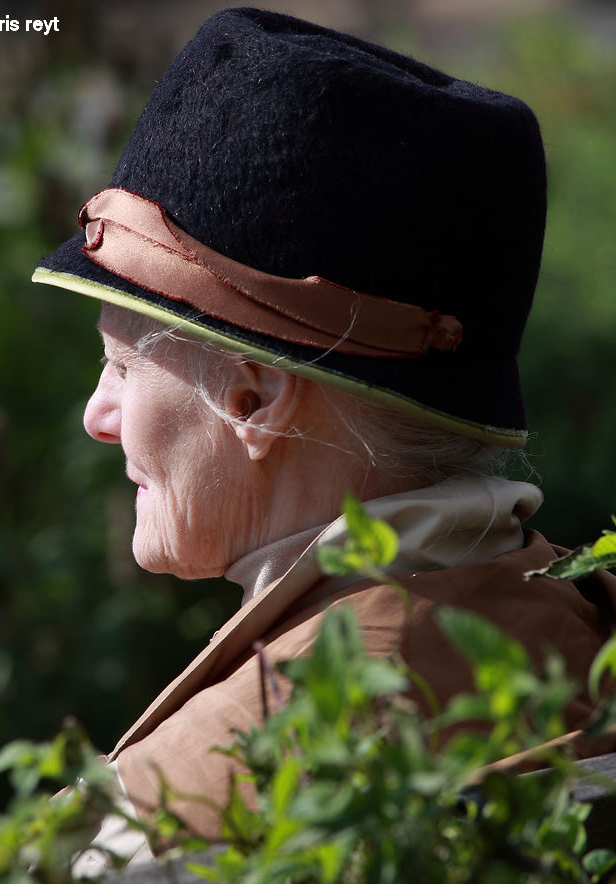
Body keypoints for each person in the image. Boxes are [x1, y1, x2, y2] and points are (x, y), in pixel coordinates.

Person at [32, 7, 616, 866]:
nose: (97, 413)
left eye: (123, 367)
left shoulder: (167, 827)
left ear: (253, 396)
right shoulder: (583, 641)